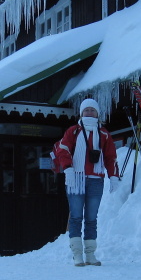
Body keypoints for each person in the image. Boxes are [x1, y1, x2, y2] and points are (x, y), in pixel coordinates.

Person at [54, 98, 120, 266]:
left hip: (96, 180)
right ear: (81, 113)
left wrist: (113, 176)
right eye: (86, 110)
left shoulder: (104, 134)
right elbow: (63, 149)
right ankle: (77, 254)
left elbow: (111, 156)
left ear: (97, 113)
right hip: (75, 178)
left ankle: (90, 254)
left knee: (91, 218)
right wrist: (68, 168)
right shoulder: (73, 131)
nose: (89, 112)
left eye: (92, 110)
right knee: (76, 217)